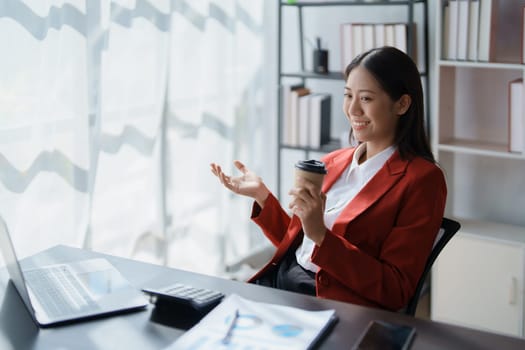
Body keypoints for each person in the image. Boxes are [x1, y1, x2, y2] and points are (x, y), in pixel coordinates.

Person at [210, 46, 447, 311]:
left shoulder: (422, 180)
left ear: (402, 104)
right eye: (348, 95)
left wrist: (321, 235)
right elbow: (298, 245)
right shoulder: (331, 162)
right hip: (282, 286)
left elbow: (395, 289)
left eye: (366, 99)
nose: (353, 109)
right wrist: (262, 197)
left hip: (334, 306)